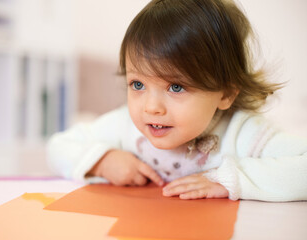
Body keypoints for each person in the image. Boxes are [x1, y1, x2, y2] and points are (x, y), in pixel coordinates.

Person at [47, 0, 307, 201]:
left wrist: (231, 180)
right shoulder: (123, 125)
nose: (151, 108)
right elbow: (58, 146)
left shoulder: (244, 134)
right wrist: (102, 161)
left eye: (176, 87)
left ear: (226, 93)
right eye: (138, 84)